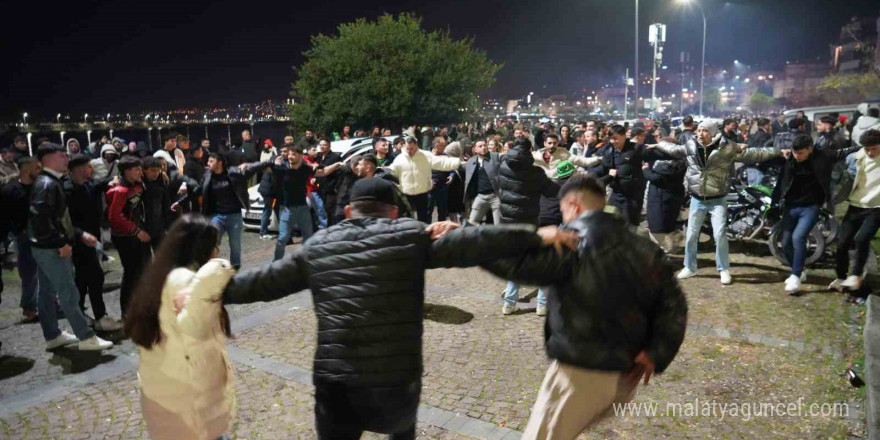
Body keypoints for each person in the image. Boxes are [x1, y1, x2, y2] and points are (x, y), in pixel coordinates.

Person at [220, 177, 576, 440]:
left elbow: (263, 282)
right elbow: (473, 243)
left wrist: (208, 291)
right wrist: (534, 235)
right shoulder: (409, 235)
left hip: (335, 383)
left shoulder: (318, 245)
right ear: (392, 211)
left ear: (348, 212)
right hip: (395, 384)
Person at [481, 174, 687, 440]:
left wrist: (533, 237)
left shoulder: (572, 243)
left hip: (582, 370)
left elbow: (509, 262)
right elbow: (674, 306)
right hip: (624, 374)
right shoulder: (645, 247)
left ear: (575, 207)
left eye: (563, 210)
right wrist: (655, 352)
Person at [126, 214, 236, 440]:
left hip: (159, 391)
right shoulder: (185, 280)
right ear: (202, 249)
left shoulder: (161, 273)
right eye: (215, 245)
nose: (217, 250)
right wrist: (219, 269)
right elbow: (196, 330)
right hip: (184, 401)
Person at [651, 120, 783, 285]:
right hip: (697, 199)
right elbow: (676, 149)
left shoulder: (726, 148)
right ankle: (690, 267)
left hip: (717, 199)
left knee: (720, 234)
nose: (699, 133)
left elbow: (753, 154)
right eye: (698, 130)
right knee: (691, 235)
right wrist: (658, 145)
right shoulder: (691, 145)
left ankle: (723, 269)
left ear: (712, 133)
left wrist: (777, 151)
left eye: (704, 131)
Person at [28, 144, 112, 350]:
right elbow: (41, 218)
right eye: (61, 155)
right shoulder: (48, 184)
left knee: (47, 293)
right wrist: (61, 242)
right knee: (68, 293)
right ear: (47, 159)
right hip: (52, 248)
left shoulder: (47, 182)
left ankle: (53, 335)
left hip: (43, 246)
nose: (66, 158)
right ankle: (86, 337)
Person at [771, 135, 859, 294]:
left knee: (799, 237)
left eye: (801, 153)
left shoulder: (824, 156)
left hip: (811, 206)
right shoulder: (789, 160)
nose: (797, 156)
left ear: (810, 149)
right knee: (785, 242)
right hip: (790, 206)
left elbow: (845, 152)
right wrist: (774, 203)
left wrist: (867, 146)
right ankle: (798, 270)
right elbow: (780, 182)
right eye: (795, 153)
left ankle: (796, 276)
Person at [497, 138, 560, 316]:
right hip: (529, 222)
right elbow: (551, 191)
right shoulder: (536, 173)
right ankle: (542, 304)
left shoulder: (503, 165)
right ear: (530, 150)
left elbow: (498, 185)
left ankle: (509, 304)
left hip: (507, 224)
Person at [65, 155, 122, 331]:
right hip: (78, 241)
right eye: (84, 167)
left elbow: (101, 183)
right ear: (74, 169)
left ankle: (80, 314)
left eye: (88, 166)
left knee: (82, 279)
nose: (88, 170)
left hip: (92, 239)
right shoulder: (67, 190)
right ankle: (99, 315)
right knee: (95, 276)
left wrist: (114, 180)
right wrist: (80, 234)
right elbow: (63, 220)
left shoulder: (88, 185)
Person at [191, 153, 267, 269]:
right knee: (212, 242)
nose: (208, 164)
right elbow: (197, 190)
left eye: (211, 161)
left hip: (234, 216)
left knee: (235, 245)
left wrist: (269, 162)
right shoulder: (207, 175)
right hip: (217, 216)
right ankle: (211, 268)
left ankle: (235, 270)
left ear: (220, 162)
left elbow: (255, 168)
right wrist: (180, 200)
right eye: (208, 161)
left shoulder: (234, 173)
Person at [829, 129, 880, 293]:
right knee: (842, 242)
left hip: (876, 208)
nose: (870, 152)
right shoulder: (856, 157)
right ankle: (841, 276)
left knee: (861, 239)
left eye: (874, 149)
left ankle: (856, 275)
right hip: (855, 205)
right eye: (867, 149)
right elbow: (840, 174)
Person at [592, 125, 666, 228]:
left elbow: (659, 154)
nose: (613, 141)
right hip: (616, 195)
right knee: (608, 220)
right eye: (611, 139)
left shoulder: (636, 148)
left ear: (623, 136)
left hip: (632, 197)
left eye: (616, 138)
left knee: (629, 226)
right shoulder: (609, 151)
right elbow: (602, 169)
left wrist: (661, 146)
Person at [106, 156, 152, 316]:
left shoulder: (138, 183)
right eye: (136, 169)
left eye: (140, 168)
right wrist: (136, 231)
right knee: (132, 273)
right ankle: (127, 312)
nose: (141, 171)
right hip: (126, 237)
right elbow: (115, 217)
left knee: (143, 270)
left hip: (139, 233)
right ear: (126, 172)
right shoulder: (120, 190)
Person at [384, 137, 461, 223]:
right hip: (406, 192)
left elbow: (442, 163)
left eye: (411, 148)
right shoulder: (400, 158)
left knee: (423, 217)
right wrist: (383, 172)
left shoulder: (425, 155)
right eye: (407, 148)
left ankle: (424, 233)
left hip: (422, 192)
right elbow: (393, 170)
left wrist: (459, 163)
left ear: (416, 145)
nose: (409, 151)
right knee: (407, 217)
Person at [2, 157, 40, 322]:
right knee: (29, 272)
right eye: (36, 168)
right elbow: (4, 215)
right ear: (25, 170)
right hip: (23, 235)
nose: (39, 171)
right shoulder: (10, 190)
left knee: (47, 271)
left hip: (42, 233)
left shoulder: (40, 186)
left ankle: (48, 302)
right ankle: (29, 307)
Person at [271, 146, 317, 260]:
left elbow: (321, 171)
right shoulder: (281, 168)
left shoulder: (304, 169)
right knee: (282, 238)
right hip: (287, 208)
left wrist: (335, 165)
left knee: (308, 236)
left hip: (302, 207)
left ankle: (301, 259)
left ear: (300, 156)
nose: (290, 156)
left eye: (293, 154)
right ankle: (276, 263)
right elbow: (266, 169)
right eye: (289, 154)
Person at [642, 148, 687, 251]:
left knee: (657, 228)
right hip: (669, 197)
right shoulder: (681, 161)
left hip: (661, 199)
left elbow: (656, 178)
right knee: (667, 224)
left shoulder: (668, 165)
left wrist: (646, 170)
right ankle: (669, 244)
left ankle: (664, 249)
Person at [140, 158, 176, 248]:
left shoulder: (162, 182)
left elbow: (166, 205)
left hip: (159, 227)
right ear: (144, 170)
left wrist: (168, 226)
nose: (155, 173)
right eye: (152, 170)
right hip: (143, 228)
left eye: (157, 170)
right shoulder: (138, 183)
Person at [315, 139, 343, 226]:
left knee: (331, 212)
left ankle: (332, 229)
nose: (322, 147)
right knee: (323, 211)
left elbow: (340, 173)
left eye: (324, 145)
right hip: (321, 189)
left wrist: (336, 187)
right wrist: (315, 179)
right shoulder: (318, 157)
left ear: (329, 146)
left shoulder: (335, 157)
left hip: (331, 190)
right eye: (321, 145)